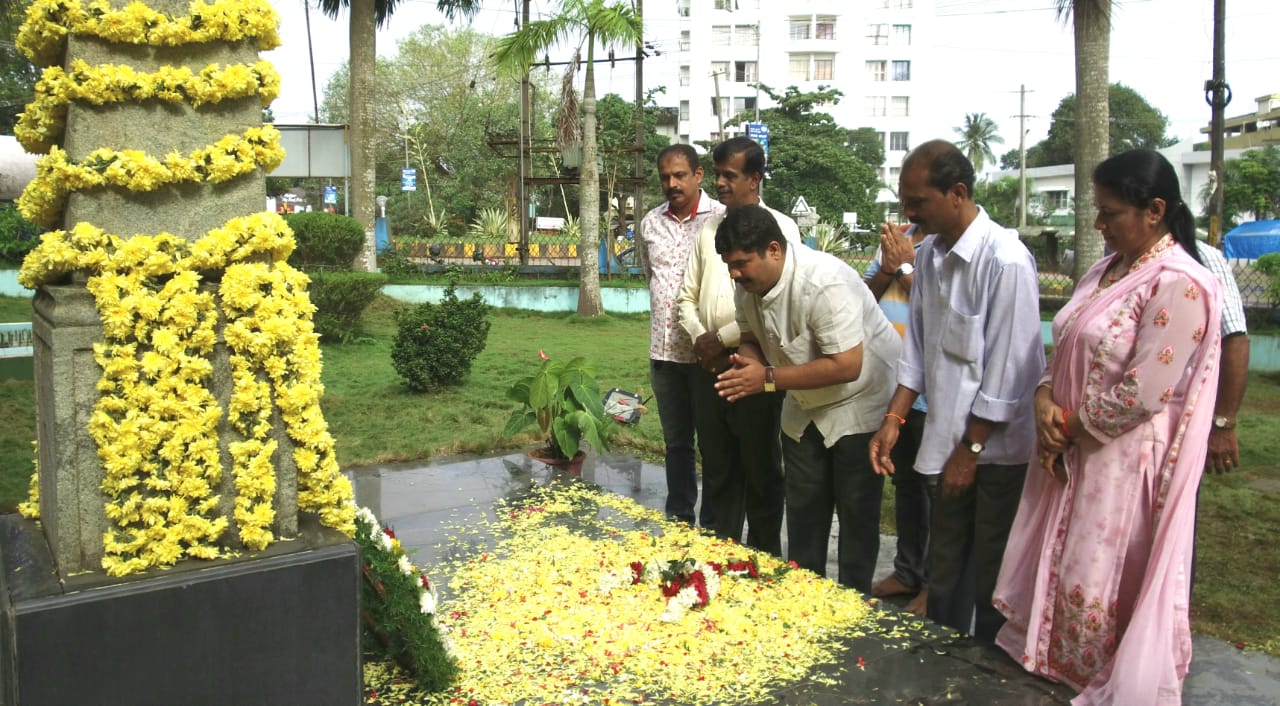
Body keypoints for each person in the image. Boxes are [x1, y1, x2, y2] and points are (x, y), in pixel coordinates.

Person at [992, 148, 1222, 704]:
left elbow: (1146, 390)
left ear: (1155, 210)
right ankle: (1052, 662)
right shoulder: (1105, 270)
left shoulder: (1180, 284)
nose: (1097, 225)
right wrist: (1045, 399)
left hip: (1122, 460)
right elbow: (1065, 341)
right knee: (1067, 560)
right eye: (1096, 211)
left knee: (1102, 570)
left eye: (1109, 213)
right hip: (1071, 446)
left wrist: (1068, 426)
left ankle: (1097, 675)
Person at [869, 139, 1044, 642]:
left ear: (958, 193)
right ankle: (944, 669)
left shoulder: (1005, 260)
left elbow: (1011, 372)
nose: (907, 212)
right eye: (905, 200)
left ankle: (988, 674)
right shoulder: (929, 257)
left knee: (991, 576)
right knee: (944, 570)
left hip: (993, 453)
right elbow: (918, 350)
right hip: (945, 443)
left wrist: (970, 450)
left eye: (918, 201)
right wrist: (894, 420)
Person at [714, 203, 901, 592]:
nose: (734, 273)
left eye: (742, 262)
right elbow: (750, 339)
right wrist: (746, 367)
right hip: (801, 406)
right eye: (728, 264)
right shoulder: (747, 289)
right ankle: (807, 599)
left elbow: (846, 365)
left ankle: (854, 606)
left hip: (858, 402)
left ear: (774, 250)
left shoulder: (825, 281)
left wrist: (764, 378)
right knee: (804, 514)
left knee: (855, 515)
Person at [675, 136, 798, 554]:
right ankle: (723, 556)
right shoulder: (708, 227)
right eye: (719, 174)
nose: (721, 184)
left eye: (731, 175)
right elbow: (685, 298)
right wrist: (702, 341)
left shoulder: (781, 228)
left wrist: (724, 339)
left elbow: (778, 304)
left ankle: (763, 559)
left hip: (758, 366)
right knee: (718, 467)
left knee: (761, 468)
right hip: (709, 366)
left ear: (755, 179)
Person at [636, 144, 725, 528]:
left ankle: (716, 523)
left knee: (713, 444)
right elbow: (650, 274)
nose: (672, 184)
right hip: (664, 354)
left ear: (699, 175)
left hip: (708, 354)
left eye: (680, 175)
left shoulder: (720, 219)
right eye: (665, 178)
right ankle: (679, 518)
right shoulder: (650, 222)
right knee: (676, 445)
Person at [864, 221, 934, 616]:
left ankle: (934, 584)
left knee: (933, 492)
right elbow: (864, 297)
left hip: (929, 392)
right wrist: (889, 267)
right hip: (893, 387)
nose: (910, 205)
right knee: (906, 485)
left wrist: (906, 266)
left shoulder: (946, 244)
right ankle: (907, 571)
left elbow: (934, 305)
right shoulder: (897, 237)